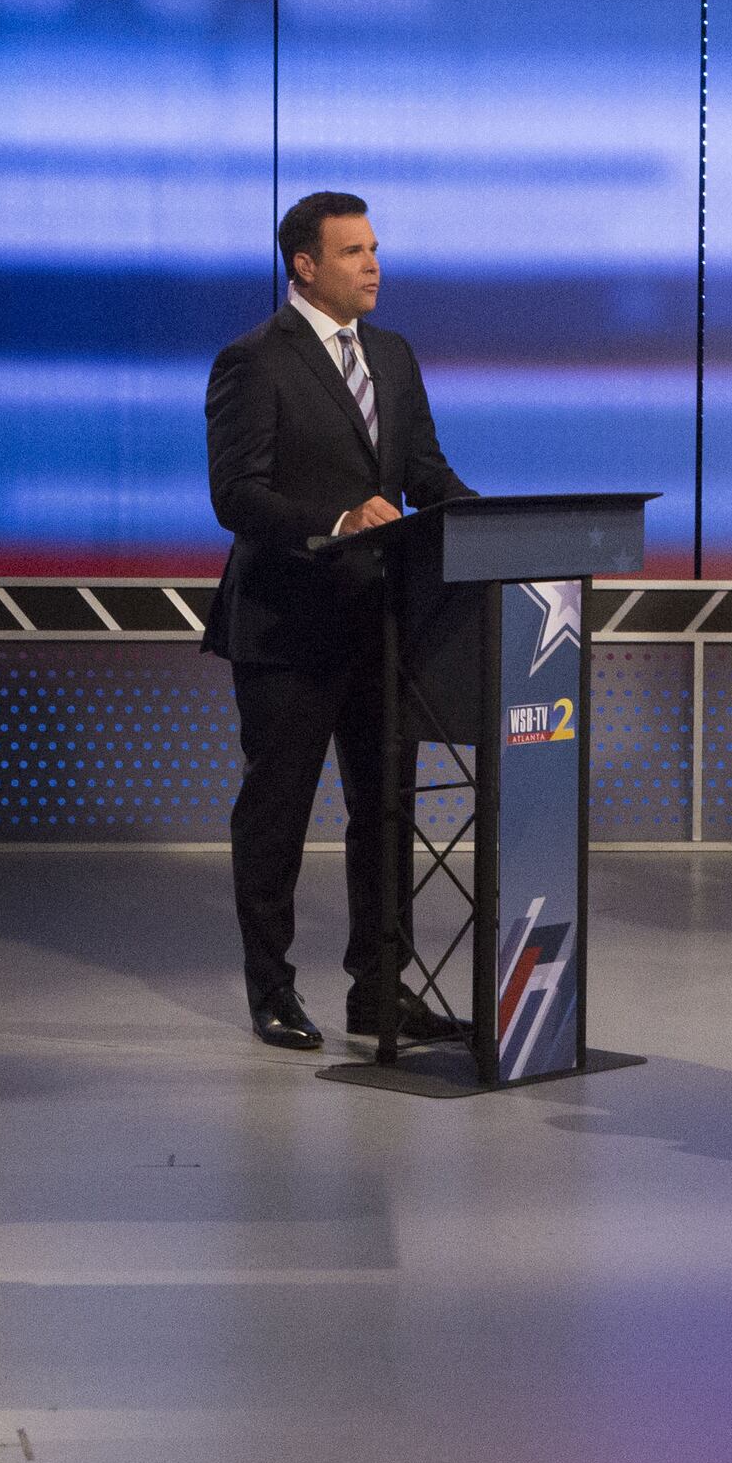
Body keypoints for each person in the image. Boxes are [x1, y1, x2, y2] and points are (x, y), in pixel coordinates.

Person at [203, 191, 477, 1052]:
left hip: (381, 626)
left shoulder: (392, 355)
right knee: (277, 813)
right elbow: (235, 496)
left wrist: (487, 525)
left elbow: (425, 471)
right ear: (305, 265)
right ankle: (273, 990)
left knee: (386, 811)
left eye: (375, 249)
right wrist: (336, 520)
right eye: (353, 252)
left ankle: (378, 991)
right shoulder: (253, 360)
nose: (374, 266)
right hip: (286, 626)